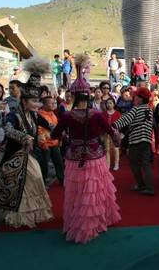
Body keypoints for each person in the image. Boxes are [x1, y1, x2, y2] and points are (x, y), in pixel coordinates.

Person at [51, 54, 121, 243]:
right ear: (88, 95)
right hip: (95, 157)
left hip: (74, 158)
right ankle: (96, 222)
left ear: (73, 96)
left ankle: (78, 222)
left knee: (78, 191)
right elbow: (111, 131)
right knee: (94, 191)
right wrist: (117, 141)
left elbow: (54, 135)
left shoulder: (66, 116)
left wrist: (66, 137)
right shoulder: (97, 114)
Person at [0, 57, 53, 228]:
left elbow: (50, 125)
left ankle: (31, 214)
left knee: (34, 180)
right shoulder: (14, 115)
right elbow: (7, 129)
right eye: (34, 101)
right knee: (29, 181)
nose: (37, 104)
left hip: (27, 155)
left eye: (38, 101)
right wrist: (24, 137)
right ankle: (17, 216)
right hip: (15, 155)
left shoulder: (34, 115)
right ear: (24, 101)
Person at [113, 87, 155, 195]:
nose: (134, 98)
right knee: (146, 164)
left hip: (136, 140)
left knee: (134, 164)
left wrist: (112, 126)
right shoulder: (149, 109)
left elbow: (124, 120)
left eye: (136, 96)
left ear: (141, 98)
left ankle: (141, 185)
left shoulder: (136, 109)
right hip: (146, 140)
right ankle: (150, 188)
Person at [37, 96, 65, 185]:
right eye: (51, 103)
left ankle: (62, 179)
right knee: (44, 164)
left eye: (54, 102)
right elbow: (39, 131)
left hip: (54, 142)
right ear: (44, 104)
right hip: (45, 144)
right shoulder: (40, 115)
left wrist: (59, 139)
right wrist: (43, 143)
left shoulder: (53, 114)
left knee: (59, 162)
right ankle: (43, 182)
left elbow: (57, 128)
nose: (54, 104)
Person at [103, 98, 122, 171]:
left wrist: (119, 132)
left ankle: (116, 164)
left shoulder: (117, 113)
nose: (109, 104)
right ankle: (108, 164)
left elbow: (120, 124)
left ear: (114, 104)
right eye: (108, 103)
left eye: (111, 103)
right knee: (107, 149)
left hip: (115, 134)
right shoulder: (104, 113)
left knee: (116, 149)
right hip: (106, 134)